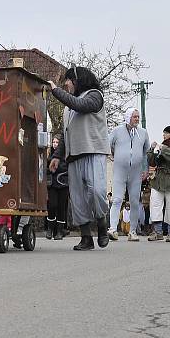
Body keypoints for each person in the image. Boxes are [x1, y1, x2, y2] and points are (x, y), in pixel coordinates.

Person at [49, 66, 111, 250]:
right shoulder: (69, 108)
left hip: (93, 151)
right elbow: (66, 132)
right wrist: (57, 156)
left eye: (68, 80)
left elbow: (81, 106)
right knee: (77, 199)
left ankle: (101, 224)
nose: (66, 84)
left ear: (77, 80)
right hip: (73, 156)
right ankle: (86, 237)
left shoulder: (94, 95)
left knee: (97, 192)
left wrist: (55, 91)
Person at [107, 107, 149, 242]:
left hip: (136, 172)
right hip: (120, 170)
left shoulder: (143, 133)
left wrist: (145, 169)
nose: (137, 119)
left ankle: (132, 231)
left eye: (138, 117)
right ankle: (112, 229)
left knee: (135, 201)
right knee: (117, 199)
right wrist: (111, 155)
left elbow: (146, 153)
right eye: (134, 116)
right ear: (128, 117)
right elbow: (107, 144)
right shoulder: (117, 131)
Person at [146, 125, 170, 242]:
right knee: (155, 205)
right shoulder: (160, 146)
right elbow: (151, 161)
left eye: (166, 133)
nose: (163, 135)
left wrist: (163, 149)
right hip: (158, 180)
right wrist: (151, 150)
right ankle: (157, 232)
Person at [46, 134, 69, 240]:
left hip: (64, 183)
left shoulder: (65, 156)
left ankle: (59, 231)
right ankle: (50, 229)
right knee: (52, 205)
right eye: (53, 142)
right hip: (52, 184)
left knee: (61, 207)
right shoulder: (48, 154)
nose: (55, 144)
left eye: (57, 142)